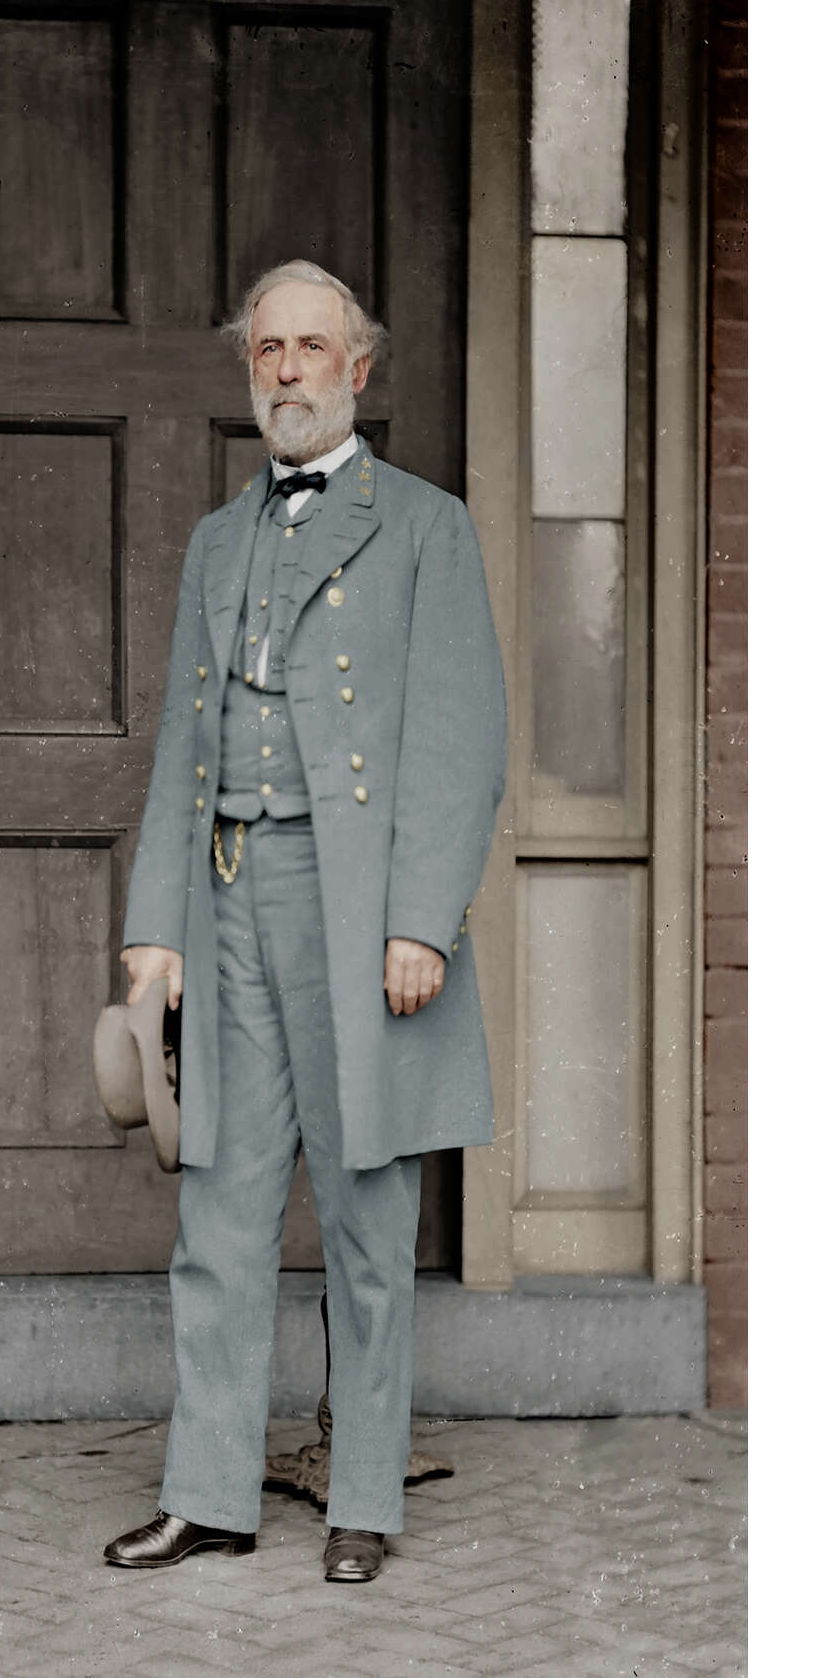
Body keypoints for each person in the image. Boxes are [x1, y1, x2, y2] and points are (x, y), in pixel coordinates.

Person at [104, 259, 506, 1584]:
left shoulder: (427, 528)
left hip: (357, 909)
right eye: (267, 349)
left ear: (359, 371)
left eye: (311, 348)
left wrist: (421, 922)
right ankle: (209, 1492)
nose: (286, 370)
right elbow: (182, 744)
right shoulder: (217, 541)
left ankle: (364, 1499)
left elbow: (460, 740)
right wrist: (156, 923)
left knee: (365, 1210)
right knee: (218, 1209)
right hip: (226, 899)